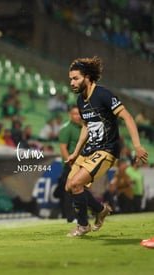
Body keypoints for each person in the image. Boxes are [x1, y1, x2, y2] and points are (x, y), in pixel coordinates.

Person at [65, 56, 148, 237]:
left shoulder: (103, 94)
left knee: (77, 184)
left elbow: (127, 117)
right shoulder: (81, 101)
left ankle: (83, 225)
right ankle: (100, 210)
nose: (71, 82)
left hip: (106, 150)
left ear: (87, 77)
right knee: (70, 186)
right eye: (70, 79)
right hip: (88, 150)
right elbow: (86, 127)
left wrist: (137, 146)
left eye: (76, 78)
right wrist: (75, 152)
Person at [53, 105, 82, 222]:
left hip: (80, 164)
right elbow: (63, 148)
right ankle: (70, 217)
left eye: (79, 113)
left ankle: (79, 215)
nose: (78, 116)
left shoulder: (82, 128)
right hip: (70, 165)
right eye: (75, 113)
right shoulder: (66, 128)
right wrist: (70, 163)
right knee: (69, 191)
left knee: (79, 191)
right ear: (70, 115)